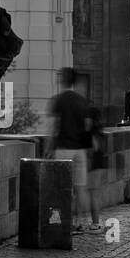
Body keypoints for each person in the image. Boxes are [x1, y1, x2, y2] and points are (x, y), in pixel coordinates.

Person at [46, 67, 101, 232]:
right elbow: (87, 127)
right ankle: (80, 221)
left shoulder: (58, 100)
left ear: (63, 80)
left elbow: (54, 127)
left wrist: (49, 147)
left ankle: (61, 221)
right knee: (80, 188)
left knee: (62, 187)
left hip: (63, 148)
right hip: (80, 150)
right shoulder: (82, 101)